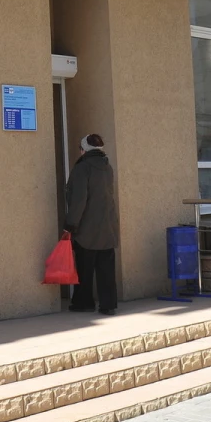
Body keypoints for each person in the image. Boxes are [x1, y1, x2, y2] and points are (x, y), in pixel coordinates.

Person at [63, 133, 120, 316]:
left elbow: (79, 200)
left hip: (86, 229)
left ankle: (84, 302)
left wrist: (70, 225)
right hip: (108, 227)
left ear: (84, 150)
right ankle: (108, 305)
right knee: (106, 269)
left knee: (84, 268)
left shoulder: (82, 168)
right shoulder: (107, 167)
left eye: (80, 149)